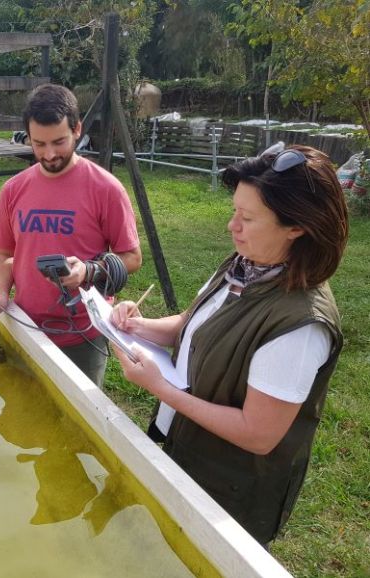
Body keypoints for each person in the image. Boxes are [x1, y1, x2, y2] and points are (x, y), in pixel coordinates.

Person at [109, 144, 348, 545]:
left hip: (231, 489)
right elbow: (194, 324)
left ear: (297, 226)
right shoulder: (246, 264)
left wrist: (161, 389)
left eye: (248, 217)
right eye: (234, 210)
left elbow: (258, 435)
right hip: (188, 448)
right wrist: (138, 326)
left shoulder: (300, 325)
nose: (231, 226)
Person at [0, 84, 142, 386]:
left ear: (77, 129)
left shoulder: (106, 189)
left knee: (79, 423)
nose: (49, 154)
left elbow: (131, 257)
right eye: (38, 144)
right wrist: (1, 293)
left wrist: (89, 271)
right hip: (25, 326)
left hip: (83, 332)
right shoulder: (14, 189)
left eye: (59, 142)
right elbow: (4, 254)